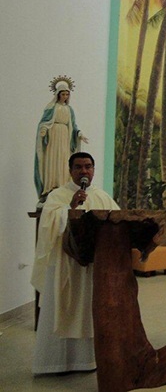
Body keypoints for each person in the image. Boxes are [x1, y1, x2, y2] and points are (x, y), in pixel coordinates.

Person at [30, 152, 119, 374]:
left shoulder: (102, 196)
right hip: (65, 265)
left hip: (91, 267)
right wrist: (70, 207)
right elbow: (48, 224)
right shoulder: (58, 195)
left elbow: (118, 220)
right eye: (78, 167)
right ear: (70, 171)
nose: (84, 171)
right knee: (61, 307)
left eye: (88, 167)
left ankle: (87, 361)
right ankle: (55, 363)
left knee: (89, 309)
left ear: (94, 170)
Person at [34, 77, 88, 199]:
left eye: (67, 94)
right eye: (63, 94)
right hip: (53, 136)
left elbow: (73, 125)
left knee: (64, 160)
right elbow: (45, 122)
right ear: (58, 94)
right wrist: (43, 130)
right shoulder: (51, 107)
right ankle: (50, 186)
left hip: (65, 137)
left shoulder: (69, 109)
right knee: (52, 160)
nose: (65, 96)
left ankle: (62, 185)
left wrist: (78, 133)